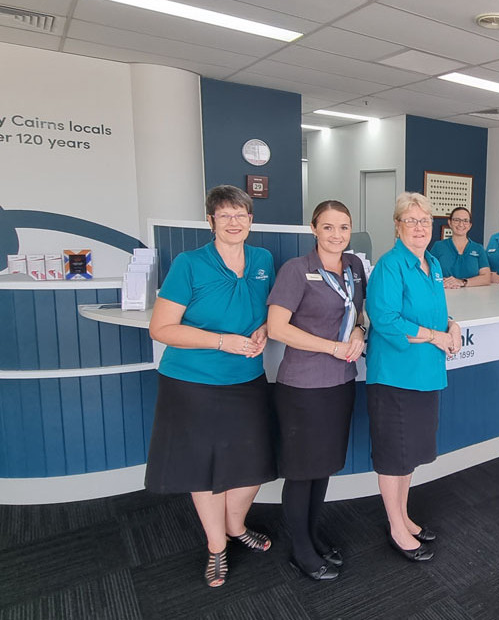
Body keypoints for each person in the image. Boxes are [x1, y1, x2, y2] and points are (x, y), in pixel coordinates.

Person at [145, 185, 276, 588]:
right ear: (211, 222)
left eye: (241, 215)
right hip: (191, 382)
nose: (235, 223)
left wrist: (264, 331)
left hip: (246, 380)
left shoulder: (263, 259)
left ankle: (237, 526)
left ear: (251, 220)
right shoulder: (189, 264)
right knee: (204, 470)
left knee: (252, 465)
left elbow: (271, 311)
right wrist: (222, 341)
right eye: (226, 216)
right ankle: (216, 546)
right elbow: (161, 328)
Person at [266, 200, 366, 581]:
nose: (336, 235)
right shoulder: (296, 270)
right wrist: (331, 347)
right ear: (313, 229)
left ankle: (312, 534)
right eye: (328, 227)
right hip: (304, 386)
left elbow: (359, 311)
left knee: (322, 466)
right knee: (302, 471)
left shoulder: (355, 267)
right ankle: (301, 550)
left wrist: (359, 332)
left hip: (341, 382)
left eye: (343, 227)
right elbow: (277, 328)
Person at [365, 192, 462, 562]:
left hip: (425, 375)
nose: (420, 227)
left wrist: (451, 326)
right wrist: (437, 336)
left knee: (409, 455)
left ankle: (404, 515)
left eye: (425, 221)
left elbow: (438, 310)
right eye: (411, 220)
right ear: (397, 225)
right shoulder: (390, 265)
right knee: (394, 455)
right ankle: (395, 527)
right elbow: (386, 320)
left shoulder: (432, 263)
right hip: (395, 377)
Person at [429, 206, 491, 288]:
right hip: (445, 293)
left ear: (470, 225)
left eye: (465, 221)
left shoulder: (478, 249)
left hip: (473, 297)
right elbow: (428, 273)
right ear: (450, 222)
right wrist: (442, 281)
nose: (461, 224)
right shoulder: (438, 246)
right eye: (456, 220)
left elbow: (486, 278)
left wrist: (462, 282)